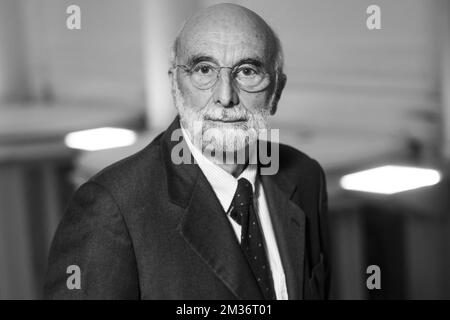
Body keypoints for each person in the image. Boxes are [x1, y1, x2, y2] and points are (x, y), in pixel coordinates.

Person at [45, 3, 330, 300]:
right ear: (174, 85)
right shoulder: (111, 208)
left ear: (277, 92)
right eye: (204, 70)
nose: (225, 97)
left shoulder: (305, 177)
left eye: (247, 71)